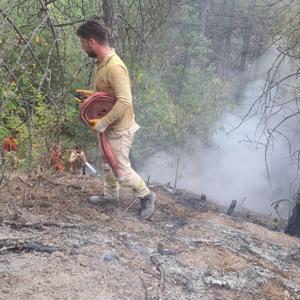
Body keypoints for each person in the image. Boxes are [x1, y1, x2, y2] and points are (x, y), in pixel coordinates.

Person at [76, 20, 156, 219]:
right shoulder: (101, 63)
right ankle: (110, 196)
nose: (82, 47)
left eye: (82, 43)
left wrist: (102, 123)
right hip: (107, 126)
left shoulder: (115, 67)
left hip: (119, 128)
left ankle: (146, 196)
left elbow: (124, 101)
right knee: (105, 163)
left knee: (120, 168)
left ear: (92, 42)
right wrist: (89, 96)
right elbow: (105, 93)